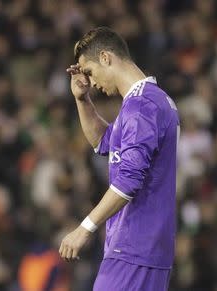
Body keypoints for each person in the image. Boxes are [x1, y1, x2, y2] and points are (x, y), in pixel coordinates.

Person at [59, 27, 180, 291]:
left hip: (134, 246)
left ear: (105, 57)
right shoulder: (148, 102)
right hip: (145, 248)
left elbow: (128, 181)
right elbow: (104, 142)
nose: (91, 82)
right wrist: (83, 100)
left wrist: (84, 228)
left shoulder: (142, 105)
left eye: (89, 72)